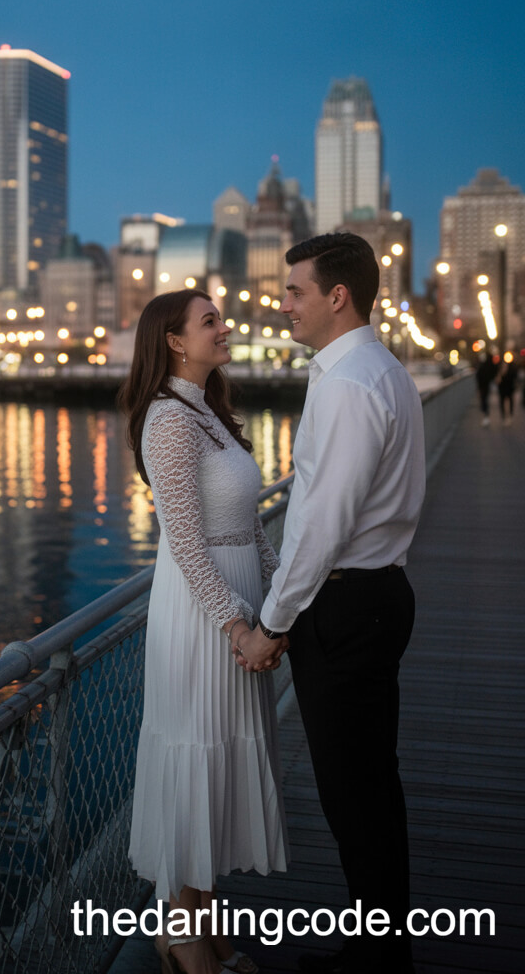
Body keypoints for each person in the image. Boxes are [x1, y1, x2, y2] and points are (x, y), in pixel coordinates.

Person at [236, 234, 425, 974]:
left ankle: (380, 954)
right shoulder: (383, 370)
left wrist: (272, 624)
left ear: (336, 296)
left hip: (348, 605)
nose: (282, 304)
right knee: (372, 781)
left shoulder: (348, 385)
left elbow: (320, 522)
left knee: (354, 792)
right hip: (377, 597)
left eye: (294, 292)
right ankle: (384, 939)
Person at [121, 289, 289, 974]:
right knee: (199, 750)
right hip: (203, 617)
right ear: (173, 340)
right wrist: (237, 627)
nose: (226, 328)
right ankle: (181, 933)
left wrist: (283, 601)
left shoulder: (211, 412)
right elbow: (186, 543)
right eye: (210, 321)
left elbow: (251, 527)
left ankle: (205, 920)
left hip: (243, 600)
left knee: (223, 758)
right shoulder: (166, 418)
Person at [475, 352, 497, 426]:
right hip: (486, 386)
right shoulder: (491, 365)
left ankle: (486, 416)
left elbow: (478, 376)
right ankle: (486, 416)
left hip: (483, 386)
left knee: (484, 400)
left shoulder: (483, 366)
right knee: (485, 400)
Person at [497, 356, 518, 425]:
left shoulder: (512, 368)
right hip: (502, 389)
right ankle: (504, 416)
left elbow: (514, 376)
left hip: (509, 388)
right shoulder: (500, 368)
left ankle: (510, 416)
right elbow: (498, 379)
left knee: (510, 401)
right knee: (502, 402)